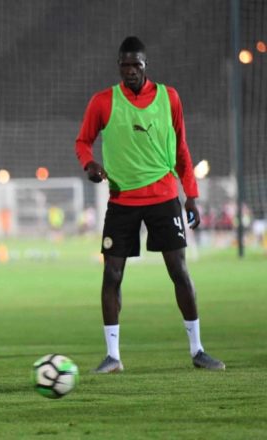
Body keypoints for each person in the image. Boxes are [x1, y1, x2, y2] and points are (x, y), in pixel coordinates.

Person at [75, 37, 225, 373]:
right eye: (125, 66)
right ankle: (113, 356)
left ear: (145, 65)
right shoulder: (103, 102)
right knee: (111, 274)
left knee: (179, 272)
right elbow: (83, 141)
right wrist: (90, 165)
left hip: (164, 198)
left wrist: (192, 195)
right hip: (122, 201)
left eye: (136, 66)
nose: (130, 71)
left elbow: (182, 148)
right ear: (118, 65)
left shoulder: (169, 97)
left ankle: (198, 350)